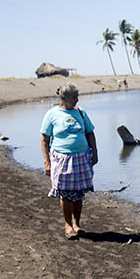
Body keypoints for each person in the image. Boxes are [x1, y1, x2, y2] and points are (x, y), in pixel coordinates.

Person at [40, 83, 98, 239]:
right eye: (74, 97)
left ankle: (76, 223)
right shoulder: (52, 114)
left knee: (78, 194)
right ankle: (67, 225)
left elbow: (90, 133)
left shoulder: (81, 113)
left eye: (77, 96)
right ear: (64, 97)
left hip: (81, 158)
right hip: (62, 159)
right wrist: (47, 163)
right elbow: (44, 140)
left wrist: (95, 153)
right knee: (65, 194)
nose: (77, 99)